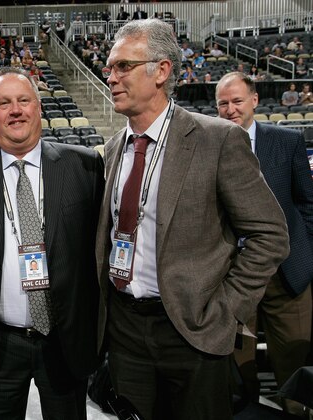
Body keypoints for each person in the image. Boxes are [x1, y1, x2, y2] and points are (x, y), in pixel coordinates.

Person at [96, 19, 289, 420]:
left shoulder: (217, 139)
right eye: (109, 67)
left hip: (193, 329)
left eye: (122, 67)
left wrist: (227, 310)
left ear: (161, 71)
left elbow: (270, 235)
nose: (110, 76)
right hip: (126, 330)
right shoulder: (115, 148)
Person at [0, 67, 104, 419]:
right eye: (4, 103)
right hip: (0, 344)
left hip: (63, 339)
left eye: (24, 100)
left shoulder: (83, 166)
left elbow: (97, 255)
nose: (16, 110)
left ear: (38, 108)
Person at [216, 72, 313, 416]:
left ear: (254, 101)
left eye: (237, 101)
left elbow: (306, 202)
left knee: (294, 365)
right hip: (236, 277)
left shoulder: (287, 141)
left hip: (288, 274)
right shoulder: (209, 145)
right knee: (237, 370)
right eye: (223, 103)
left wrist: (305, 251)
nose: (230, 109)